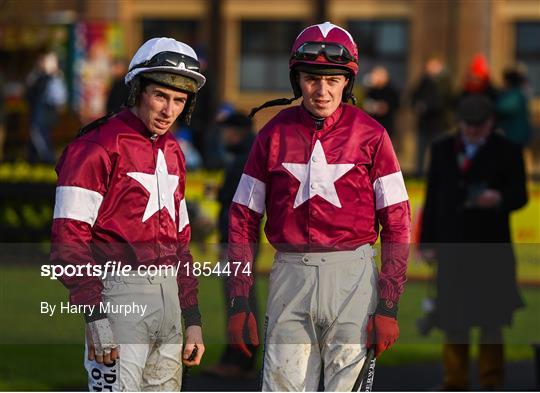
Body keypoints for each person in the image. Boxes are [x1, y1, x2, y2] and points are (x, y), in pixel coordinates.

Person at [226, 22, 411, 391]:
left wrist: (388, 304)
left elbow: (398, 223)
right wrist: (238, 298)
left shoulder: (373, 134)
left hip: (353, 280)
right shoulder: (272, 134)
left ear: (348, 82)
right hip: (289, 275)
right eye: (312, 78)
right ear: (298, 80)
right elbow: (242, 219)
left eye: (333, 80)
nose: (322, 91)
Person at [50, 37, 206, 391]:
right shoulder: (94, 147)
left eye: (179, 100)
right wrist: (95, 314)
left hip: (169, 300)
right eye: (160, 96)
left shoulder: (174, 152)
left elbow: (181, 244)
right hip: (117, 298)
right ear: (137, 90)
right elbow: (67, 242)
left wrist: (192, 316)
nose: (169, 110)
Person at [420, 95, 527, 390]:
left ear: (491, 123)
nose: (472, 130)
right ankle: (454, 383)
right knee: (454, 321)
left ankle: (492, 383)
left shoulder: (508, 151)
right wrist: (427, 241)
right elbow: (432, 199)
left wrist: (499, 198)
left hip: (491, 250)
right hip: (453, 249)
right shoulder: (442, 149)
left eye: (479, 125)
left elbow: (521, 195)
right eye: (467, 124)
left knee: (491, 323)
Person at [205, 111, 259, 378]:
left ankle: (239, 360)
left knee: (240, 300)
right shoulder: (243, 156)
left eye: (228, 130)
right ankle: (239, 358)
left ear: (238, 130)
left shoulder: (245, 158)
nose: (225, 136)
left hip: (239, 241)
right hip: (239, 238)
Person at [411, 56, 453, 176]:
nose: (429, 69)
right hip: (424, 123)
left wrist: (427, 106)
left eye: (433, 65)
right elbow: (413, 97)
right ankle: (419, 173)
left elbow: (444, 102)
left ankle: (438, 173)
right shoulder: (423, 81)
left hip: (439, 123)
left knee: (439, 151)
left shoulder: (444, 82)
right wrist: (417, 105)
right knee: (421, 151)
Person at [25, 51, 67, 164]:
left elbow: (59, 98)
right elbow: (29, 94)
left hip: (44, 115)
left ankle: (48, 160)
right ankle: (34, 160)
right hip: (39, 114)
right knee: (37, 137)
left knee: (40, 136)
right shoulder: (37, 76)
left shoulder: (53, 78)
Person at [496, 66, 532, 147]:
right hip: (516, 135)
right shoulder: (516, 93)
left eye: (504, 81)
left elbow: (502, 108)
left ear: (508, 81)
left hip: (515, 136)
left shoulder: (514, 95)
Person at [362, 65, 400, 141]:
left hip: (386, 126)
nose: (374, 77)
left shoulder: (390, 90)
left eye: (376, 75)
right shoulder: (372, 90)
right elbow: (366, 104)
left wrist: (385, 107)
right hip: (372, 126)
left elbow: (395, 105)